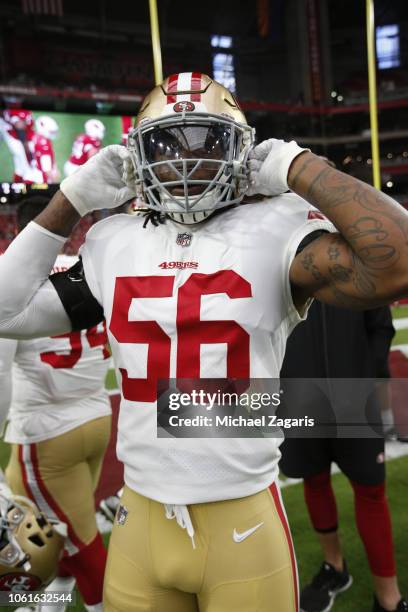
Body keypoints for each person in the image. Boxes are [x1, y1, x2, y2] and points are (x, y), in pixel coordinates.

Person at [0, 72, 408, 611]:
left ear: (241, 151)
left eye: (207, 142)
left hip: (240, 517)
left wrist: (299, 167)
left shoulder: (277, 225)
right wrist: (70, 200)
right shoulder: (111, 240)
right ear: (138, 156)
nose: (186, 161)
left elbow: (397, 263)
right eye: (167, 143)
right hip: (140, 518)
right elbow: (7, 310)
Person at [0, 196, 112, 612]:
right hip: (98, 417)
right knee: (64, 530)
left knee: (79, 542)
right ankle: (51, 606)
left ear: (21, 232)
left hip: (47, 432)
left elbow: (0, 372)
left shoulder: (14, 283)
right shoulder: (89, 273)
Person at [279, 301, 407, 612]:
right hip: (298, 392)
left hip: (355, 396)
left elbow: (380, 324)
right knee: (314, 477)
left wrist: (369, 378)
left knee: (371, 490)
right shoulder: (275, 252)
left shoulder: (357, 254)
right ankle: (334, 567)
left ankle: (388, 596)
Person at [32, 116, 60, 183]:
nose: (53, 134)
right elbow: (47, 170)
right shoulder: (45, 145)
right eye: (51, 132)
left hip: (36, 170)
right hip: (43, 179)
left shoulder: (37, 137)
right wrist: (54, 182)